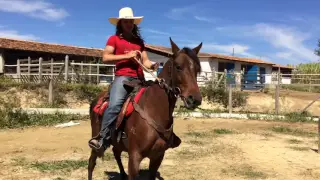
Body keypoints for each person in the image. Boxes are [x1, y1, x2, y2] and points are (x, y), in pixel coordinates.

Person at [88, 7, 159, 152]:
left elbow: (145, 61)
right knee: (114, 106)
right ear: (120, 23)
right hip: (123, 77)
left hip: (140, 78)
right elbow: (105, 57)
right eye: (126, 22)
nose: (129, 24)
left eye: (131, 21)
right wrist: (126, 56)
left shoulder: (139, 41)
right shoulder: (113, 39)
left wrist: (152, 66)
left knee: (157, 100)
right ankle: (103, 138)